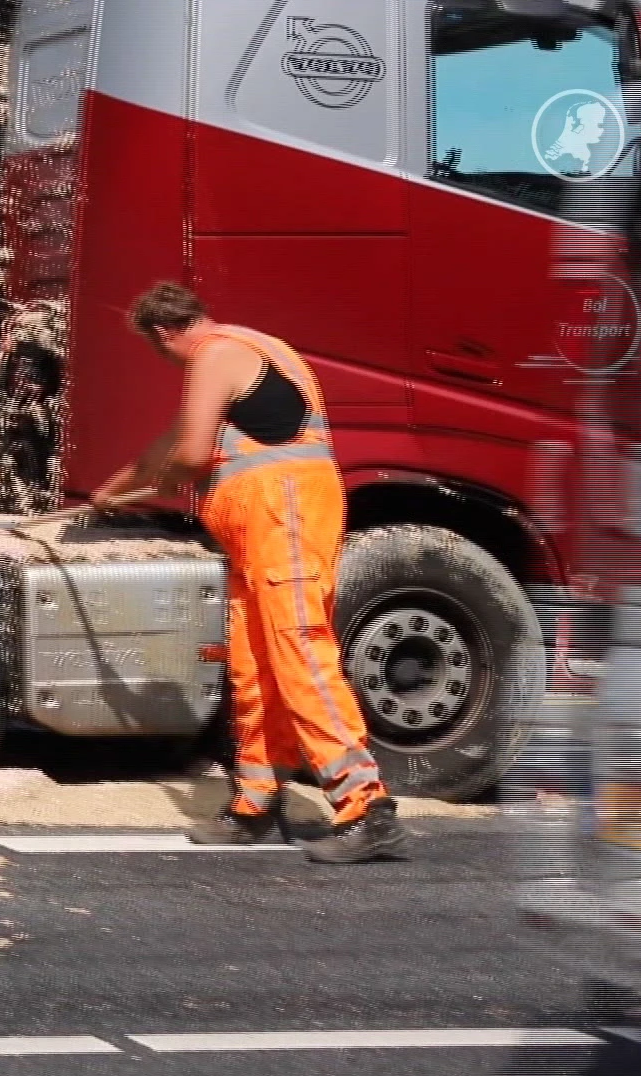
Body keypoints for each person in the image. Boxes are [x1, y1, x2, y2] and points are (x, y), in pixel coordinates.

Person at [90, 282, 408, 864]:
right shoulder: (255, 347)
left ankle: (366, 806)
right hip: (262, 527)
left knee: (298, 652)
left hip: (281, 516)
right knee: (254, 664)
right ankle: (256, 802)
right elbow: (175, 441)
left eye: (160, 353)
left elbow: (188, 457)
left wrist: (154, 486)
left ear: (166, 335)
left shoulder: (212, 357)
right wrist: (116, 485)